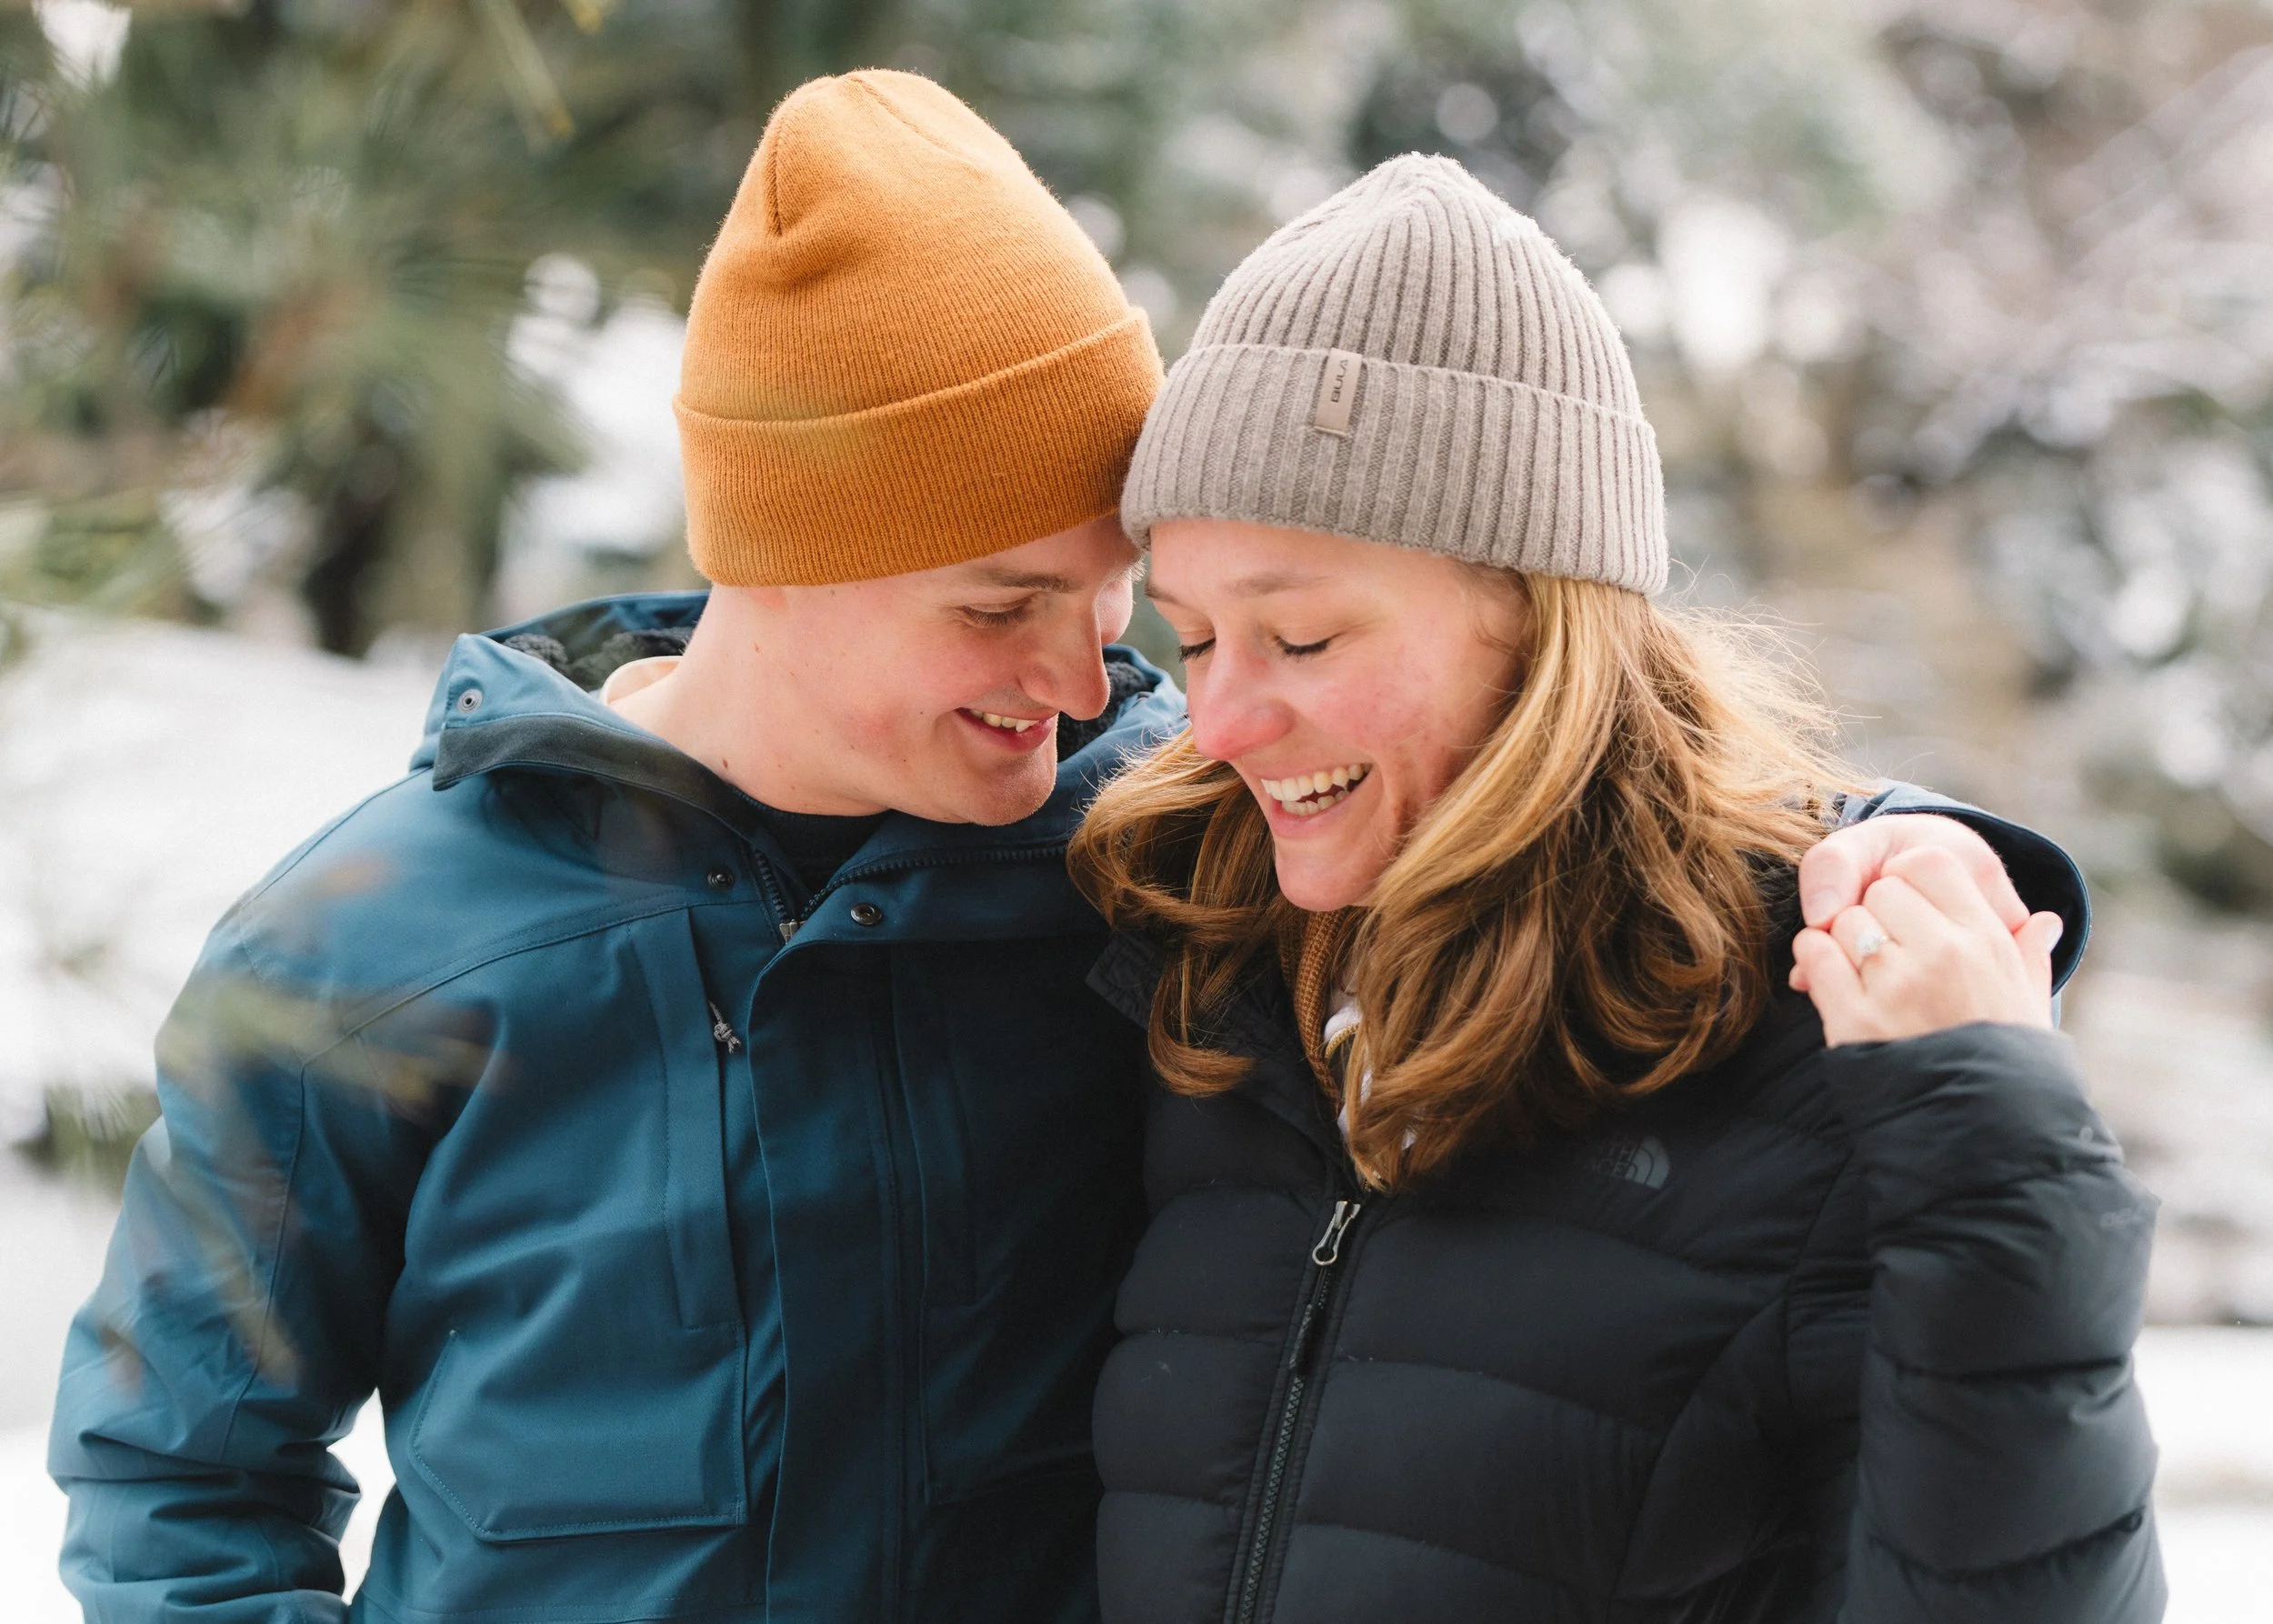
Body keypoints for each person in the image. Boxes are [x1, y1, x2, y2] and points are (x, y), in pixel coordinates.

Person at [52, 76, 2086, 1624]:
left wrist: (1905, 876)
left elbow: (1534, 781)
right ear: (786, 549)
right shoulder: (355, 951)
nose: (1099, 679)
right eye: (1001, 600)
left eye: (1121, 608)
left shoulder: (1124, 845)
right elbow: (178, 1481)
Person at [1070, 155, 2159, 1624]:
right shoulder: (1185, 965)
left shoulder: (1816, 1040)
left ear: (1540, 616)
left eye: (1306, 639)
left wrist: (1996, 1146)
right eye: (1195, 639)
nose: (1221, 721)